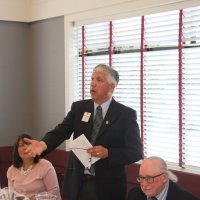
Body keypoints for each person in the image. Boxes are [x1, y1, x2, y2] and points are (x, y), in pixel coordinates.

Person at [24, 64, 142, 200]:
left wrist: (109, 153)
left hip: (108, 187)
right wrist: (43, 144)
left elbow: (136, 151)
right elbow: (61, 131)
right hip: (77, 183)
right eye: (92, 78)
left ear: (112, 86)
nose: (92, 83)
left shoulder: (125, 114)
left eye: (99, 80)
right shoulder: (79, 108)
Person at [7, 134, 62, 200]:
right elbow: (11, 196)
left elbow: (55, 195)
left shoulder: (45, 165)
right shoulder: (11, 170)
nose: (25, 148)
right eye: (21, 145)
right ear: (17, 151)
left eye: (28, 144)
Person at [127, 156, 199, 200]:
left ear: (164, 177)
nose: (144, 184)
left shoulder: (186, 198)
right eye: (141, 178)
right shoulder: (134, 195)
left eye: (149, 178)